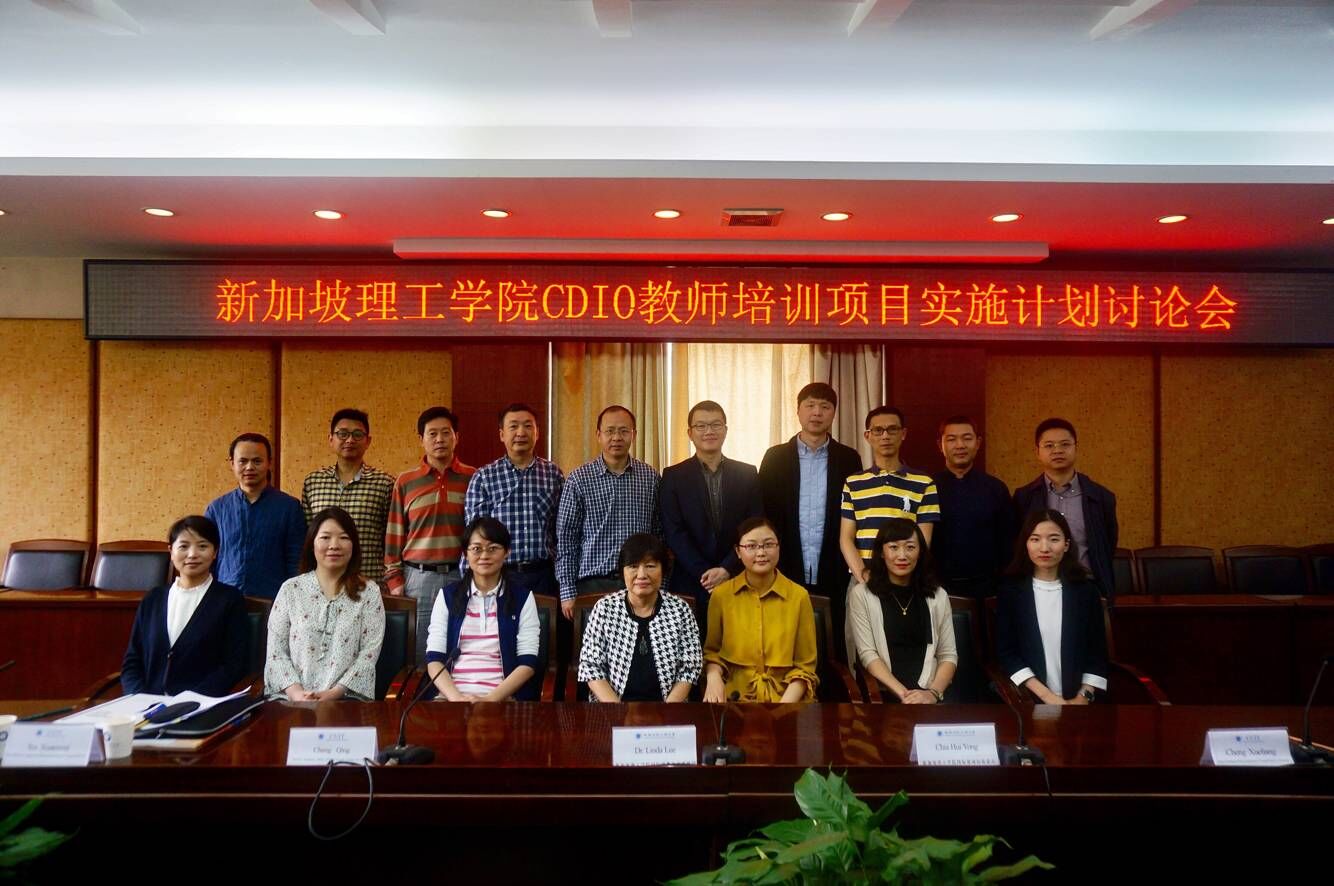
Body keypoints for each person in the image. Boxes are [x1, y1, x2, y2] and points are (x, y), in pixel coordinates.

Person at [757, 382, 863, 619]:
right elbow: (763, 511)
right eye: (810, 405)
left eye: (825, 407)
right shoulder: (775, 457)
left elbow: (854, 514)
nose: (817, 412)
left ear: (834, 413)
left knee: (832, 631)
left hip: (834, 565)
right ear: (798, 411)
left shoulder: (849, 459)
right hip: (783, 563)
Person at [383, 406, 476, 666]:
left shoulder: (473, 477)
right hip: (418, 578)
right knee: (422, 654)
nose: (439, 439)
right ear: (421, 439)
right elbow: (394, 534)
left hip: (462, 575)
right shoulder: (406, 481)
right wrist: (395, 580)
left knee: (461, 648)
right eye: (432, 434)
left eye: (446, 433)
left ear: (456, 437)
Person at [265, 507, 385, 701]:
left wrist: (333, 693)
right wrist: (297, 693)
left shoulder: (369, 592)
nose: (334, 545)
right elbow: (276, 651)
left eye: (344, 537)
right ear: (312, 543)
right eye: (325, 537)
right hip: (291, 700)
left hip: (347, 700)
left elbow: (368, 654)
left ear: (354, 545)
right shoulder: (290, 589)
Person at [120, 515, 248, 696]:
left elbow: (234, 665)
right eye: (183, 546)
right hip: (147, 704)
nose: (192, 554)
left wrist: (190, 700)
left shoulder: (230, 599)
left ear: (215, 552)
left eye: (202, 546)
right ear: (171, 551)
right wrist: (139, 697)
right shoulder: (153, 599)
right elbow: (132, 661)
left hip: (201, 704)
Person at [658, 400, 762, 617]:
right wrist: (705, 574)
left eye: (716, 425)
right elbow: (674, 532)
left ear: (725, 430)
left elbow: (754, 527)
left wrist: (726, 569)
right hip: (690, 582)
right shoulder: (673, 476)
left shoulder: (747, 474)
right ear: (690, 433)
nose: (709, 431)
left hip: (738, 576)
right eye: (701, 426)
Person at [555, 405, 662, 616]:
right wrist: (567, 591)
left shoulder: (650, 478)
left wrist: (660, 583)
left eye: (623, 431)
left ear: (634, 434)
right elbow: (567, 539)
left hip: (641, 584)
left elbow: (660, 535)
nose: (616, 437)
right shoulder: (579, 480)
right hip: (592, 585)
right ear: (598, 435)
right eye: (610, 431)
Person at [995, 509, 1109, 704]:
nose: (1044, 548)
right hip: (1030, 700)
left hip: (1081, 702)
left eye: (1054, 539)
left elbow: (1097, 652)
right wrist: (1047, 697)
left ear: (1066, 545)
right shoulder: (1011, 592)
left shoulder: (1086, 591)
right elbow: (1007, 653)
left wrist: (1083, 697)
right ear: (1026, 544)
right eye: (1035, 539)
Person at [423, 517, 542, 702]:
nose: (484, 556)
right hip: (451, 697)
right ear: (465, 553)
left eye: (493, 548)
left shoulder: (522, 598)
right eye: (476, 549)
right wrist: (457, 699)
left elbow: (527, 663)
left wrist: (489, 700)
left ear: (507, 552)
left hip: (503, 698)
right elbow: (434, 659)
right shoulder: (448, 596)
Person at [702, 517, 819, 703]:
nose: (761, 552)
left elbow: (805, 667)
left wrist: (782, 709)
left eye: (768, 544)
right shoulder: (721, 596)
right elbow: (712, 652)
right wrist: (713, 676)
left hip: (787, 701)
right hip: (735, 700)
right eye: (751, 546)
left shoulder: (799, 597)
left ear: (778, 547)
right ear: (738, 552)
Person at [578, 534, 702, 703]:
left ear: (663, 570)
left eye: (650, 566)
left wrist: (667, 712)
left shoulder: (680, 610)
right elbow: (591, 667)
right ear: (622, 571)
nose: (642, 575)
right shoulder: (604, 609)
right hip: (612, 708)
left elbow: (689, 669)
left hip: (669, 709)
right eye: (633, 566)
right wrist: (617, 711)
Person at [845, 518, 957, 704]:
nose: (902, 555)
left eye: (910, 547)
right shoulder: (862, 595)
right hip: (883, 696)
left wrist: (932, 694)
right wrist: (905, 695)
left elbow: (948, 655)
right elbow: (868, 654)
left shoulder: (938, 596)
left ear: (920, 552)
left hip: (929, 696)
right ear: (882, 552)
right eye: (894, 547)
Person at [464, 402, 564, 600]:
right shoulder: (484, 477)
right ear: (502, 434)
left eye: (528, 426)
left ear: (537, 432)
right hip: (501, 574)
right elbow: (474, 533)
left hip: (544, 575)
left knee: (546, 621)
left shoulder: (553, 474)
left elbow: (563, 529)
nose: (521, 432)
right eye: (513, 426)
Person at [1012, 418, 1119, 597]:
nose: (1057, 450)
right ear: (1037, 451)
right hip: (1039, 587)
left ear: (1076, 447)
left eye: (1065, 444)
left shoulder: (1101, 497)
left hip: (1089, 586)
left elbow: (1107, 544)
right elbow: (1018, 545)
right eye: (1049, 445)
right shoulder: (1024, 497)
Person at [839, 406, 941, 590]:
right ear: (867, 436)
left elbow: (923, 541)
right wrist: (864, 577)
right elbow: (846, 538)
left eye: (892, 429)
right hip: (863, 580)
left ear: (903, 434)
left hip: (906, 581)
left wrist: (900, 577)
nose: (885, 436)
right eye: (878, 430)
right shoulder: (853, 483)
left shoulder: (924, 483)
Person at [205, 432, 306, 600]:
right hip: (225, 601)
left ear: (269, 463)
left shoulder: (289, 507)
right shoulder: (217, 509)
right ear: (232, 463)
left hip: (274, 602)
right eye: (243, 461)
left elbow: (296, 560)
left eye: (257, 461)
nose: (249, 467)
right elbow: (207, 558)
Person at [301, 408, 394, 583]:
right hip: (322, 584)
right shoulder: (313, 482)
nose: (350, 440)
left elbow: (391, 541)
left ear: (368, 441)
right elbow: (308, 536)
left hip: (367, 582)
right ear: (331, 439)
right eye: (342, 434)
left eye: (357, 434)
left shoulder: (384, 483)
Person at [930, 415, 1014, 599]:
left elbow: (1009, 544)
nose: (960, 445)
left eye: (967, 438)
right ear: (940, 445)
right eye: (951, 439)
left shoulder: (996, 488)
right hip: (937, 590)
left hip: (988, 591)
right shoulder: (927, 488)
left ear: (978, 443)